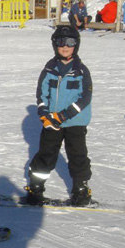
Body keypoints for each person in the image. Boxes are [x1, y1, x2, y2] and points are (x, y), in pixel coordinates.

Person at [26, 25, 93, 207]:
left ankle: (80, 189)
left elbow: (84, 98)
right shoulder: (49, 70)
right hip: (52, 123)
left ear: (76, 45)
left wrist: (63, 115)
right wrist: (45, 115)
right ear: (54, 44)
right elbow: (42, 95)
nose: (65, 46)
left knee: (78, 155)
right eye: (60, 42)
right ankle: (36, 187)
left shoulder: (81, 71)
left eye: (70, 43)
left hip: (75, 122)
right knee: (46, 155)